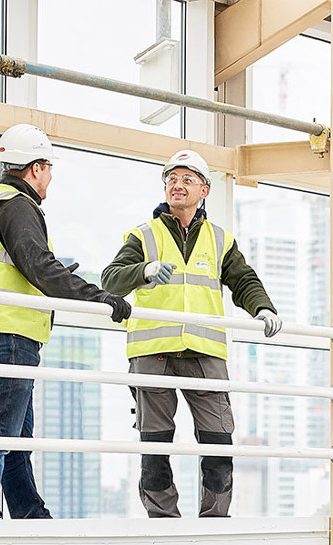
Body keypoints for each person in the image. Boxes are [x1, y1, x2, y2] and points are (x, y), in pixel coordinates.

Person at [101, 149, 282, 518]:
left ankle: (215, 521)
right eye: (171, 179)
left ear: (204, 191)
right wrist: (144, 270)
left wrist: (263, 307)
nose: (177, 185)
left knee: (219, 442)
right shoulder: (143, 236)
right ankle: (163, 522)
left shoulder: (219, 240)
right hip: (154, 352)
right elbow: (110, 280)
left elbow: (242, 279)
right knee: (155, 447)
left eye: (186, 179)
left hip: (205, 352)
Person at [0, 123, 132, 519]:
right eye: (49, 169)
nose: (50, 179)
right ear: (36, 168)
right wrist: (101, 297)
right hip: (7, 332)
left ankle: (28, 512)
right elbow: (39, 267)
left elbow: (27, 266)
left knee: (15, 435)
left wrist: (56, 274)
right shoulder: (17, 206)